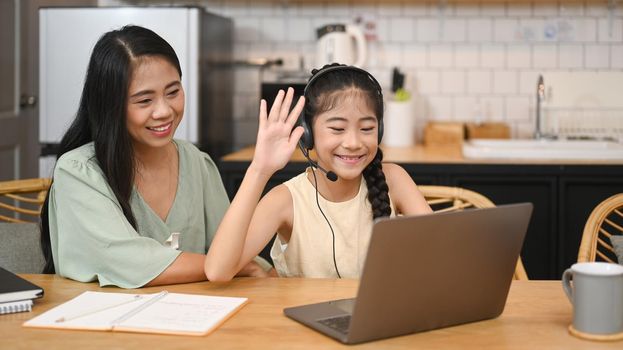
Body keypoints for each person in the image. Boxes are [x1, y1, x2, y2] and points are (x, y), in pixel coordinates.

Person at [39, 25, 305, 288]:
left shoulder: (195, 161)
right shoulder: (78, 172)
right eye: (144, 101)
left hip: (197, 318)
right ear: (111, 106)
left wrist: (244, 266)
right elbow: (130, 263)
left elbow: (234, 245)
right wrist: (228, 266)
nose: (164, 111)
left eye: (173, 92)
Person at [205, 64, 432, 281]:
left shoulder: (394, 179)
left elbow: (441, 251)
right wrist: (259, 169)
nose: (353, 142)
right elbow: (218, 271)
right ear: (308, 134)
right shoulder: (286, 200)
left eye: (366, 129)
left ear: (379, 130)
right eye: (337, 129)